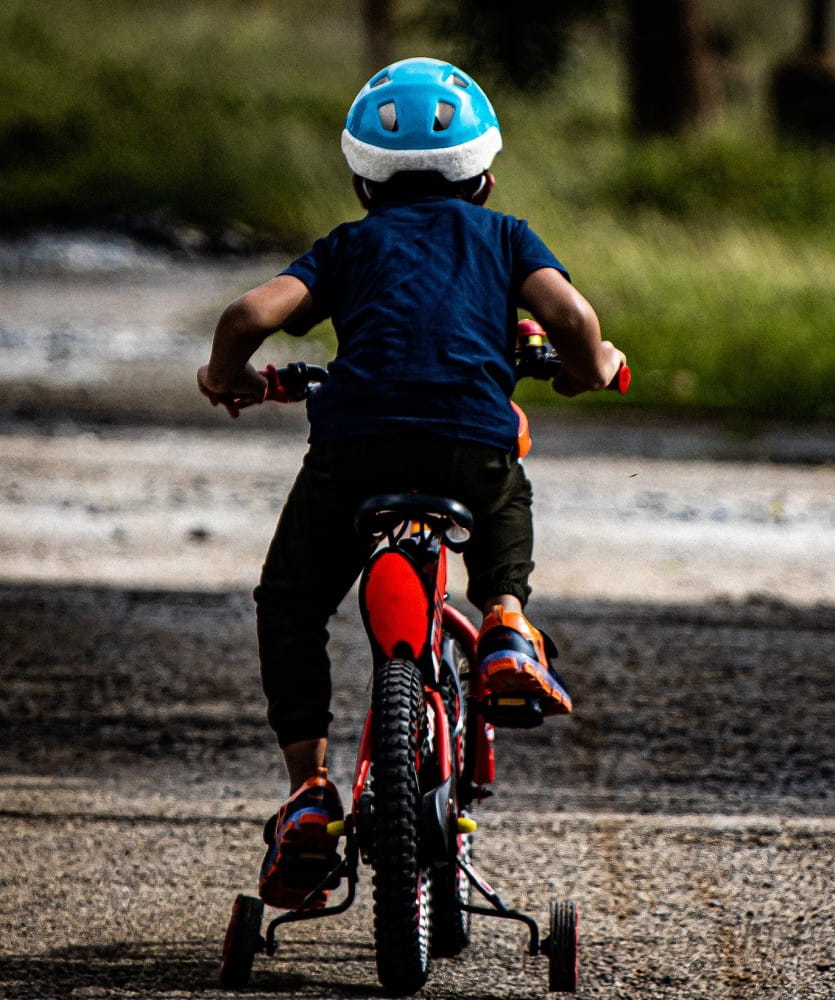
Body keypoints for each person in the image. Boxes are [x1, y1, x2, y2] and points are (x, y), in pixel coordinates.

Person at [197, 56, 626, 910]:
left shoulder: (348, 246)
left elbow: (249, 315)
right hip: (467, 441)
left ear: (362, 186)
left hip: (357, 448)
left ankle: (311, 795)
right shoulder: (507, 237)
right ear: (487, 178)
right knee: (505, 487)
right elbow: (572, 320)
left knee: (289, 602)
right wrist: (591, 364)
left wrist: (230, 376)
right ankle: (505, 624)